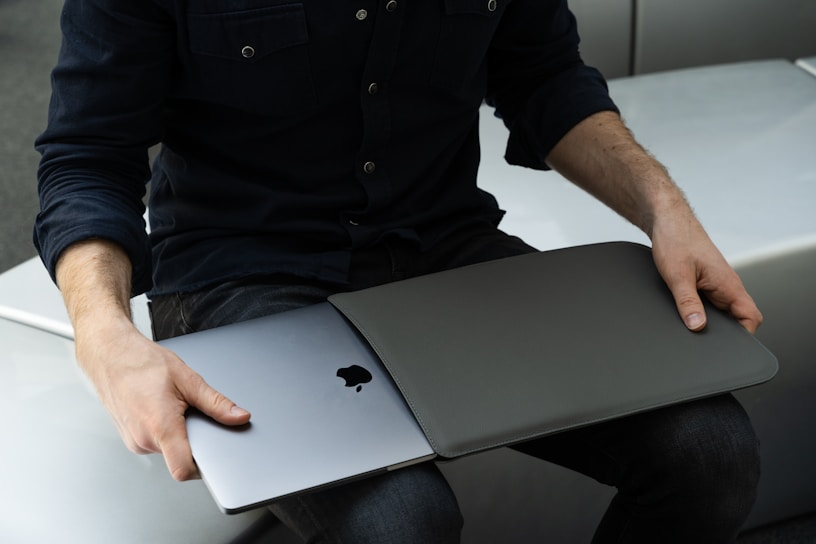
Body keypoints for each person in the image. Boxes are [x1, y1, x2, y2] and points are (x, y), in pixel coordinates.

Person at [35, 1, 763, 542]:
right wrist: (101, 331)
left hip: (444, 244)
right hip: (243, 269)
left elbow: (544, 76)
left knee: (711, 451)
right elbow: (87, 154)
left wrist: (662, 207)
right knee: (400, 523)